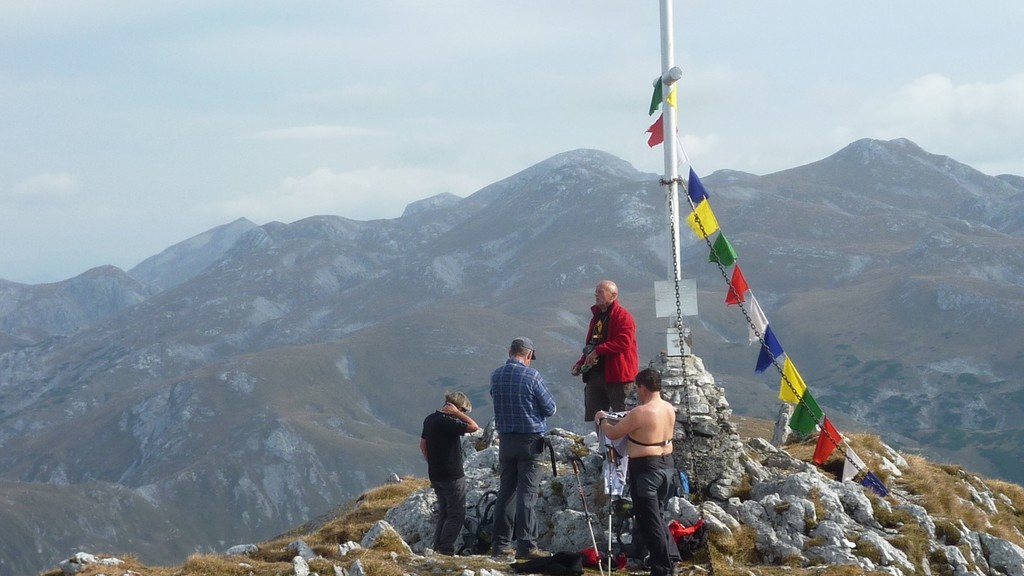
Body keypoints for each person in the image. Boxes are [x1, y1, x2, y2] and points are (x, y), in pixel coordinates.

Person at [595, 368, 677, 576]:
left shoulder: (640, 412)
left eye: (637, 388)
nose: (637, 393)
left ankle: (662, 569)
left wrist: (602, 418)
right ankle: (672, 558)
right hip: (667, 466)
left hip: (646, 470)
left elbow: (613, 432)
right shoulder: (669, 408)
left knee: (650, 522)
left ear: (643, 387)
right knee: (657, 516)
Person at [489, 337, 557, 560]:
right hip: (530, 441)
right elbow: (549, 408)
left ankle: (500, 545)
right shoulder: (532, 376)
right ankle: (527, 546)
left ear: (510, 352)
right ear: (528, 355)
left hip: (506, 441)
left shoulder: (496, 375)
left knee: (506, 493)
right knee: (527, 494)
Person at [420, 391, 480, 556]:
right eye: (463, 411)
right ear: (458, 408)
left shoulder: (430, 419)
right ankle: (445, 549)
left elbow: (422, 445)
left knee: (444, 513)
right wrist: (457, 414)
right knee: (456, 514)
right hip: (453, 475)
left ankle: (437, 547)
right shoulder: (448, 421)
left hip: (436, 474)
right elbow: (474, 427)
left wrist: (432, 463)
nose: (463, 415)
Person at [571, 279, 639, 421]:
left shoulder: (623, 316)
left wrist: (598, 351)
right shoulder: (596, 318)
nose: (596, 295)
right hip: (595, 375)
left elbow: (624, 342)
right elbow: (592, 344)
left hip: (617, 377)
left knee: (621, 415)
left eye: (600, 292)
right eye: (595, 292)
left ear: (613, 296)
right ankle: (600, 442)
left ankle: (620, 443)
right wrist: (581, 363)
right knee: (596, 417)